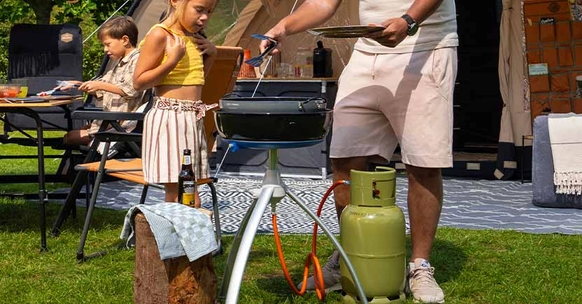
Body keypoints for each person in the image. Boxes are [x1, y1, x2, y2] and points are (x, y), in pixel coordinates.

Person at [261, 0, 457, 303]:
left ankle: (420, 266)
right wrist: (284, 27)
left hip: (426, 47)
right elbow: (322, 3)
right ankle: (350, 256)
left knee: (423, 162)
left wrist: (408, 20)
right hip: (366, 52)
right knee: (345, 159)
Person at [133, 0, 219, 206]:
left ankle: (183, 234)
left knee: (190, 188)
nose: (205, 17)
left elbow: (195, 80)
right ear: (176, 2)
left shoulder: (193, 38)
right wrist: (171, 61)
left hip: (191, 117)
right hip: (171, 117)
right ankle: (178, 234)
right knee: (180, 191)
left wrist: (211, 57)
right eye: (199, 10)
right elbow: (139, 82)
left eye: (209, 11)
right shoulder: (160, 35)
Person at [62, 16, 146, 147]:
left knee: (71, 137)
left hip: (120, 126)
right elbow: (104, 87)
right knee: (74, 133)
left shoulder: (137, 61)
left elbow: (131, 90)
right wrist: (82, 85)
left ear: (125, 40)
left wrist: (100, 85)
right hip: (110, 122)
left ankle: (90, 160)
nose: (105, 49)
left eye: (108, 44)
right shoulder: (119, 63)